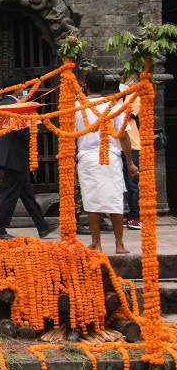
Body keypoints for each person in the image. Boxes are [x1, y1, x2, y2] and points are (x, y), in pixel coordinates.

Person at [75, 68, 138, 254]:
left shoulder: (77, 106)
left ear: (85, 86)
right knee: (115, 199)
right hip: (111, 157)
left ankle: (97, 243)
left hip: (87, 158)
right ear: (103, 86)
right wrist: (130, 163)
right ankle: (120, 245)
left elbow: (69, 135)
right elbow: (124, 137)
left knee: (92, 201)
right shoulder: (114, 106)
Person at [0, 85, 55, 240]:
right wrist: (32, 130)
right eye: (22, 89)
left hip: (7, 155)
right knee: (9, 194)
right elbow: (20, 131)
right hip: (15, 156)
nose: (24, 92)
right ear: (16, 90)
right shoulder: (16, 107)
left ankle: (42, 226)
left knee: (27, 193)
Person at [121, 74, 142, 230]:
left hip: (134, 145)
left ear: (134, 81)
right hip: (122, 145)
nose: (122, 82)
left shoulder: (136, 98)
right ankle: (132, 214)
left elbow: (124, 114)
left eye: (125, 79)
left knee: (133, 182)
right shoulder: (122, 97)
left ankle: (138, 216)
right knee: (127, 183)